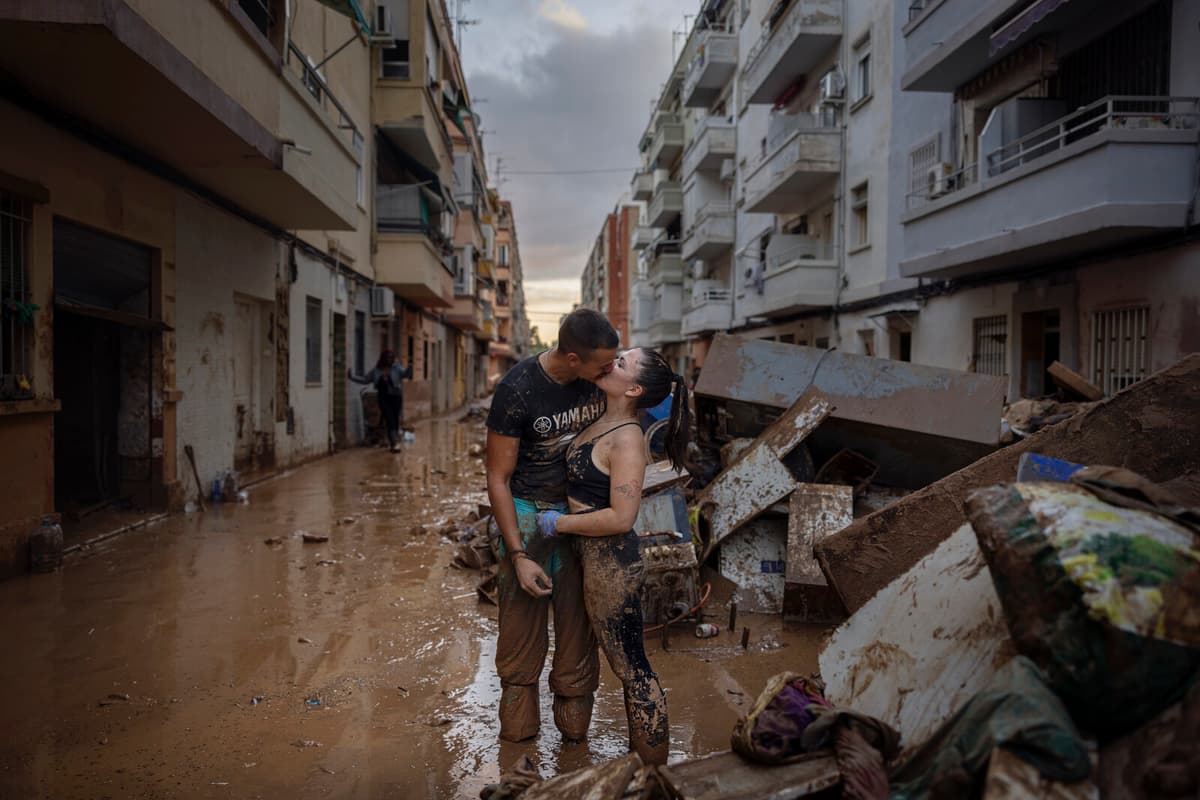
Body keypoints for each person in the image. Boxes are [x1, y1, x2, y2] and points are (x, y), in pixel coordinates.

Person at [532, 348, 689, 765]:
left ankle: (652, 771)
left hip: (612, 564)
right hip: (591, 559)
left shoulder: (628, 440)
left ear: (633, 390)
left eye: (621, 363)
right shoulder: (603, 418)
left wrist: (559, 524)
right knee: (626, 662)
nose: (610, 363)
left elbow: (622, 517)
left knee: (631, 667)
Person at [485, 309, 618, 745]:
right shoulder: (517, 390)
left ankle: (574, 747)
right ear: (574, 358)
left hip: (582, 514)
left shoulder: (601, 380)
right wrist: (518, 555)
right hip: (527, 513)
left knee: (579, 633)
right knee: (520, 641)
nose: (610, 370)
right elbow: (497, 477)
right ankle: (519, 748)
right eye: (603, 364)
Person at [349, 350, 412, 452]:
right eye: (387, 357)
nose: (389, 360)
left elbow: (405, 375)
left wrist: (410, 368)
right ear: (383, 359)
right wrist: (352, 377)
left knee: (395, 419)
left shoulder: (396, 368)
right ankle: (394, 443)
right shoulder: (376, 371)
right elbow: (365, 379)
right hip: (383, 398)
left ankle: (394, 441)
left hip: (396, 397)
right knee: (389, 418)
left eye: (391, 357)